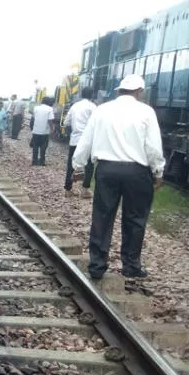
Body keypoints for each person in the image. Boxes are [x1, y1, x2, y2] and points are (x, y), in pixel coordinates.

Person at [72, 74, 165, 280]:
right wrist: (158, 171)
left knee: (102, 217)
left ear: (119, 90)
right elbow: (153, 147)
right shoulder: (146, 112)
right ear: (139, 91)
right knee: (135, 219)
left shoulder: (102, 110)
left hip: (107, 170)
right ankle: (131, 267)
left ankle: (97, 265)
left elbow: (86, 140)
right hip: (137, 172)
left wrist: (78, 166)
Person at [64, 87, 97, 198]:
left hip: (75, 140)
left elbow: (66, 122)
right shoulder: (93, 107)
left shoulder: (74, 106)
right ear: (92, 95)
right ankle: (85, 190)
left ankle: (68, 190)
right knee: (89, 166)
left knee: (71, 165)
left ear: (81, 94)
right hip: (88, 142)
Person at [30, 97, 54, 165]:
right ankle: (42, 162)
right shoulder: (50, 109)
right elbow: (50, 120)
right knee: (43, 147)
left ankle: (34, 161)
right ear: (49, 102)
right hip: (45, 132)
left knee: (35, 147)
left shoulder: (36, 108)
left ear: (42, 101)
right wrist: (52, 128)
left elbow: (33, 118)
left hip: (36, 131)